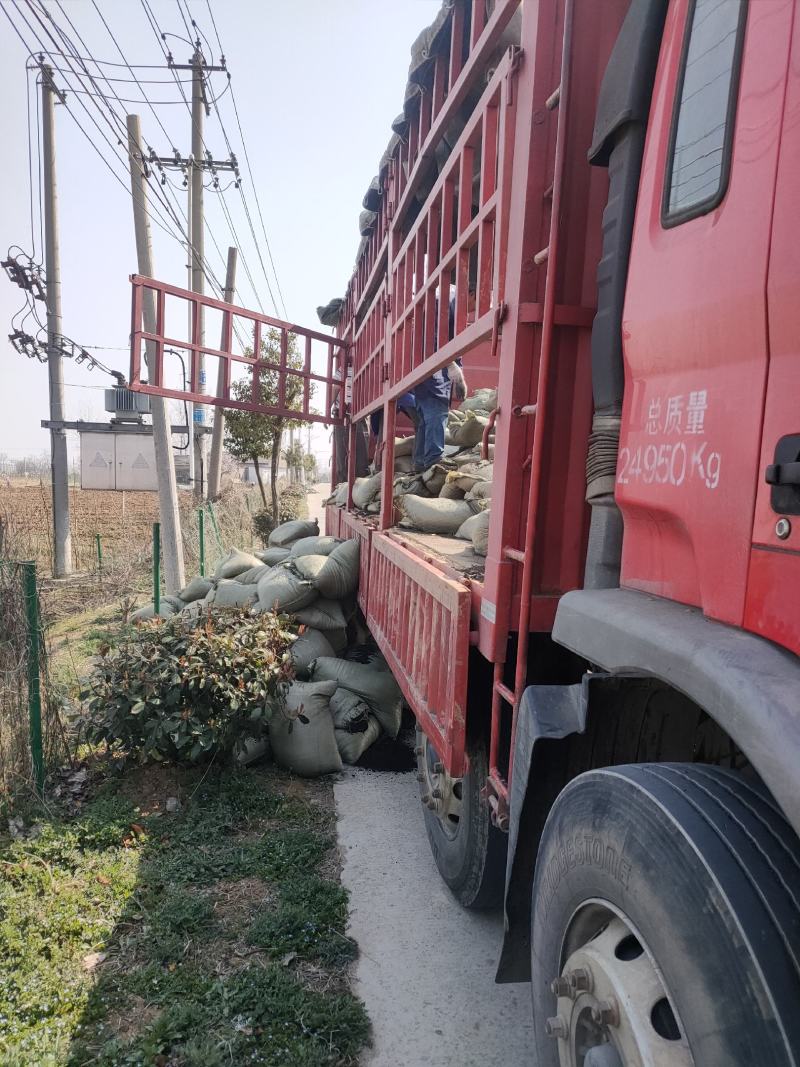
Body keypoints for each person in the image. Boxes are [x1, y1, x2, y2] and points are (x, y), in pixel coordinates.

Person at [413, 361, 466, 471]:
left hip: (428, 374)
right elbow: (434, 345)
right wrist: (451, 364)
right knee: (437, 412)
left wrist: (458, 374)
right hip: (434, 375)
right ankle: (433, 457)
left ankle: (420, 461)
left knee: (425, 420)